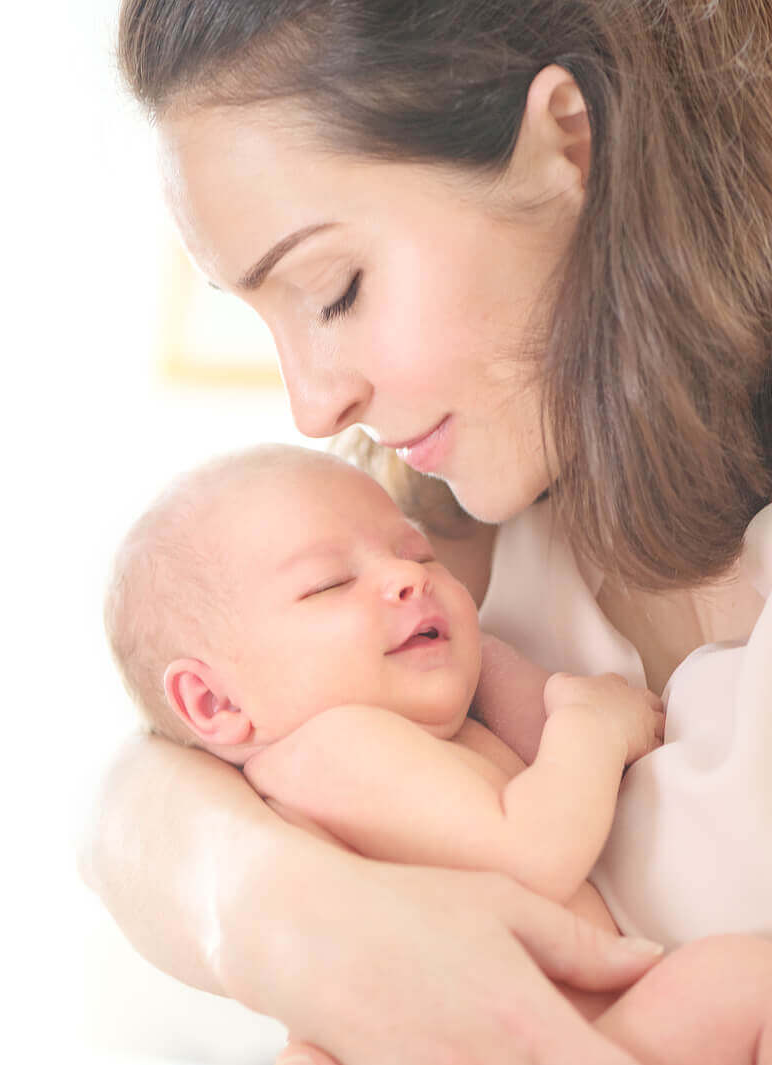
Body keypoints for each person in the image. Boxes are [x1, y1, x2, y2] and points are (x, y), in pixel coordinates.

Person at [80, 3, 772, 1063]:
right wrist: (284, 918)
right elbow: (149, 780)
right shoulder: (451, 537)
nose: (312, 406)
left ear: (564, 145)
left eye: (335, 289)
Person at [103, 443, 772, 1064]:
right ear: (215, 703)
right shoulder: (334, 747)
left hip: (588, 1031)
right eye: (329, 584)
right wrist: (589, 724)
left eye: (419, 554)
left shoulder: (422, 722)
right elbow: (535, 851)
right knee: (746, 984)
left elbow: (562, 757)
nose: (405, 577)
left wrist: (493, 667)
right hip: (534, 1039)